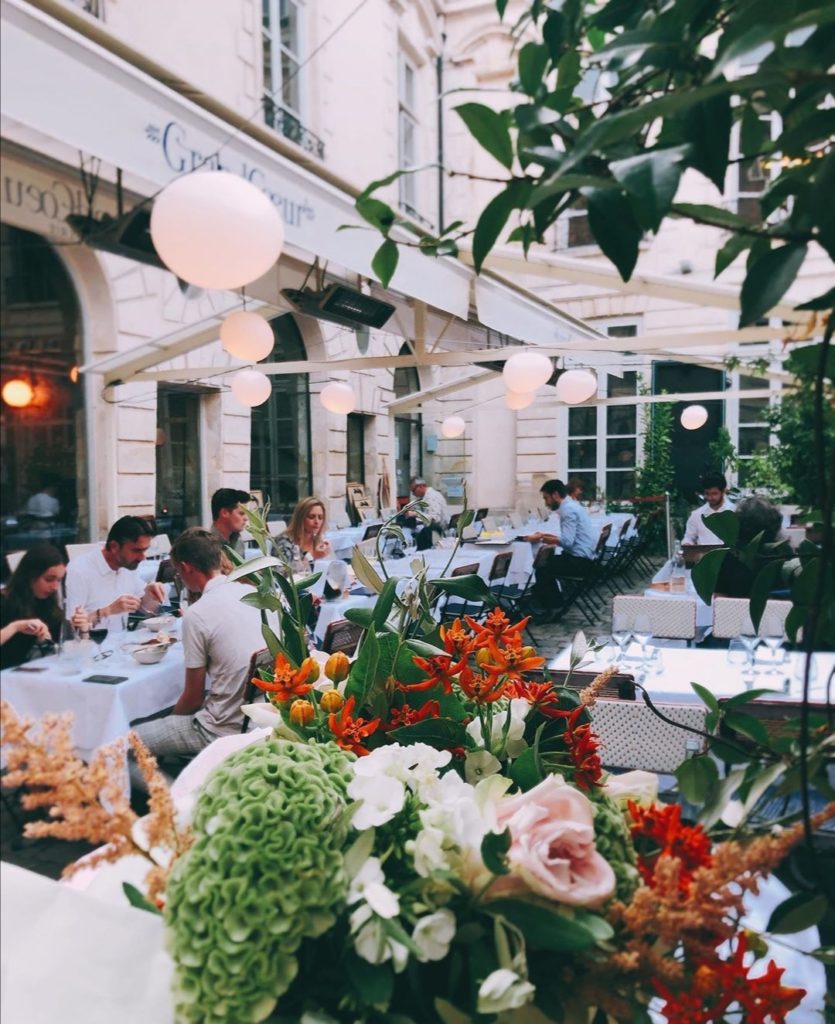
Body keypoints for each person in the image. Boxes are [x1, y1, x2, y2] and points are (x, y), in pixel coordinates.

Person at [129, 528, 269, 789]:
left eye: (178, 574)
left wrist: (168, 722)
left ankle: (176, 803)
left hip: (221, 728)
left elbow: (192, 700)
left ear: (186, 568)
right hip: (260, 717)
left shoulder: (198, 614)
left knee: (120, 747)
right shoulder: (256, 595)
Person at [64, 516, 167, 631]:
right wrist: (107, 611)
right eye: (137, 551)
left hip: (122, 643)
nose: (142, 558)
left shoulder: (127, 566)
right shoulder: (79, 570)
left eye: (144, 550)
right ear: (114, 547)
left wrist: (150, 594)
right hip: (91, 645)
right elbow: (71, 628)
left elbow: (148, 610)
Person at [1, 543, 88, 669]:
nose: (55, 587)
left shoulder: (46, 603)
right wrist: (15, 627)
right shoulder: (4, 601)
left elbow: (67, 648)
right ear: (30, 575)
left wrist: (81, 629)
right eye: (49, 579)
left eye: (58, 580)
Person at [524, 479, 598, 615]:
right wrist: (545, 535)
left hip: (579, 563)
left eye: (546, 498)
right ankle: (554, 602)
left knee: (540, 567)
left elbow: (567, 542)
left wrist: (541, 538)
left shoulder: (567, 510)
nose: (546, 503)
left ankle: (552, 607)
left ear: (555, 495)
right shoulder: (573, 506)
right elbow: (569, 539)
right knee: (547, 561)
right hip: (587, 560)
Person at [714, 496, 790, 599]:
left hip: (735, 612)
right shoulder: (784, 551)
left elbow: (720, 597)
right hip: (779, 613)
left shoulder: (728, 554)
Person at [275, 497, 332, 570]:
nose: (317, 522)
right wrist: (314, 556)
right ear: (300, 518)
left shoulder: (319, 541)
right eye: (311, 517)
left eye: (320, 517)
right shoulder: (284, 542)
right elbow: (282, 574)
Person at [683, 472, 735, 545]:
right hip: (704, 555)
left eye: (714, 493)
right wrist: (687, 544)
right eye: (707, 493)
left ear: (723, 491)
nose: (710, 498)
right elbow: (688, 538)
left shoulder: (735, 512)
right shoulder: (696, 515)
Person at [401, 477, 449, 551]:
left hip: (438, 533)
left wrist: (416, 514)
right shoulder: (428, 496)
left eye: (413, 491)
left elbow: (435, 518)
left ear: (421, 486)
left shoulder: (431, 497)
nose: (413, 494)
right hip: (436, 531)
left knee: (411, 536)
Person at [209, 488, 251, 557]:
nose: (246, 518)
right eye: (241, 513)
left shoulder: (238, 541)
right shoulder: (207, 546)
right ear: (225, 513)